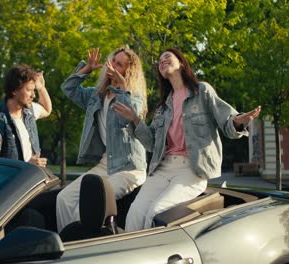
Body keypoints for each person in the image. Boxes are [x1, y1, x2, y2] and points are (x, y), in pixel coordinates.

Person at [112, 48, 261, 231]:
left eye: (167, 57)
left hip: (192, 169)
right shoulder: (163, 107)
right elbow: (152, 143)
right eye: (159, 61)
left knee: (156, 212)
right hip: (163, 168)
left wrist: (238, 121)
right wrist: (135, 119)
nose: (162, 61)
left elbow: (228, 123)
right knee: (135, 211)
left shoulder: (202, 91)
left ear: (181, 63)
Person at [56, 47, 148, 232]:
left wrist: (123, 88)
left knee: (89, 204)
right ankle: (66, 246)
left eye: (119, 64)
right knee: (64, 198)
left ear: (127, 72)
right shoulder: (96, 96)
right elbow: (68, 88)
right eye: (113, 61)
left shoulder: (133, 96)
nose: (112, 66)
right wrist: (86, 69)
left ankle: (83, 248)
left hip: (129, 169)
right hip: (106, 164)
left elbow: (133, 115)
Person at [0, 64, 52, 167]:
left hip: (34, 182)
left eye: (34, 90)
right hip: (14, 183)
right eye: (29, 90)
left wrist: (41, 88)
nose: (33, 95)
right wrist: (26, 166)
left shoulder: (29, 112)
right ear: (14, 90)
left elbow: (47, 109)